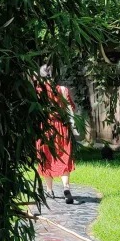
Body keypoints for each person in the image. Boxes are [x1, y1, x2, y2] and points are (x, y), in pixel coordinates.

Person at [35, 64, 77, 204]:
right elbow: (71, 108)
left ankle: (49, 190)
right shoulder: (63, 90)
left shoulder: (39, 91)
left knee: (46, 157)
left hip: (45, 128)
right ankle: (66, 188)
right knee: (64, 156)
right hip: (62, 128)